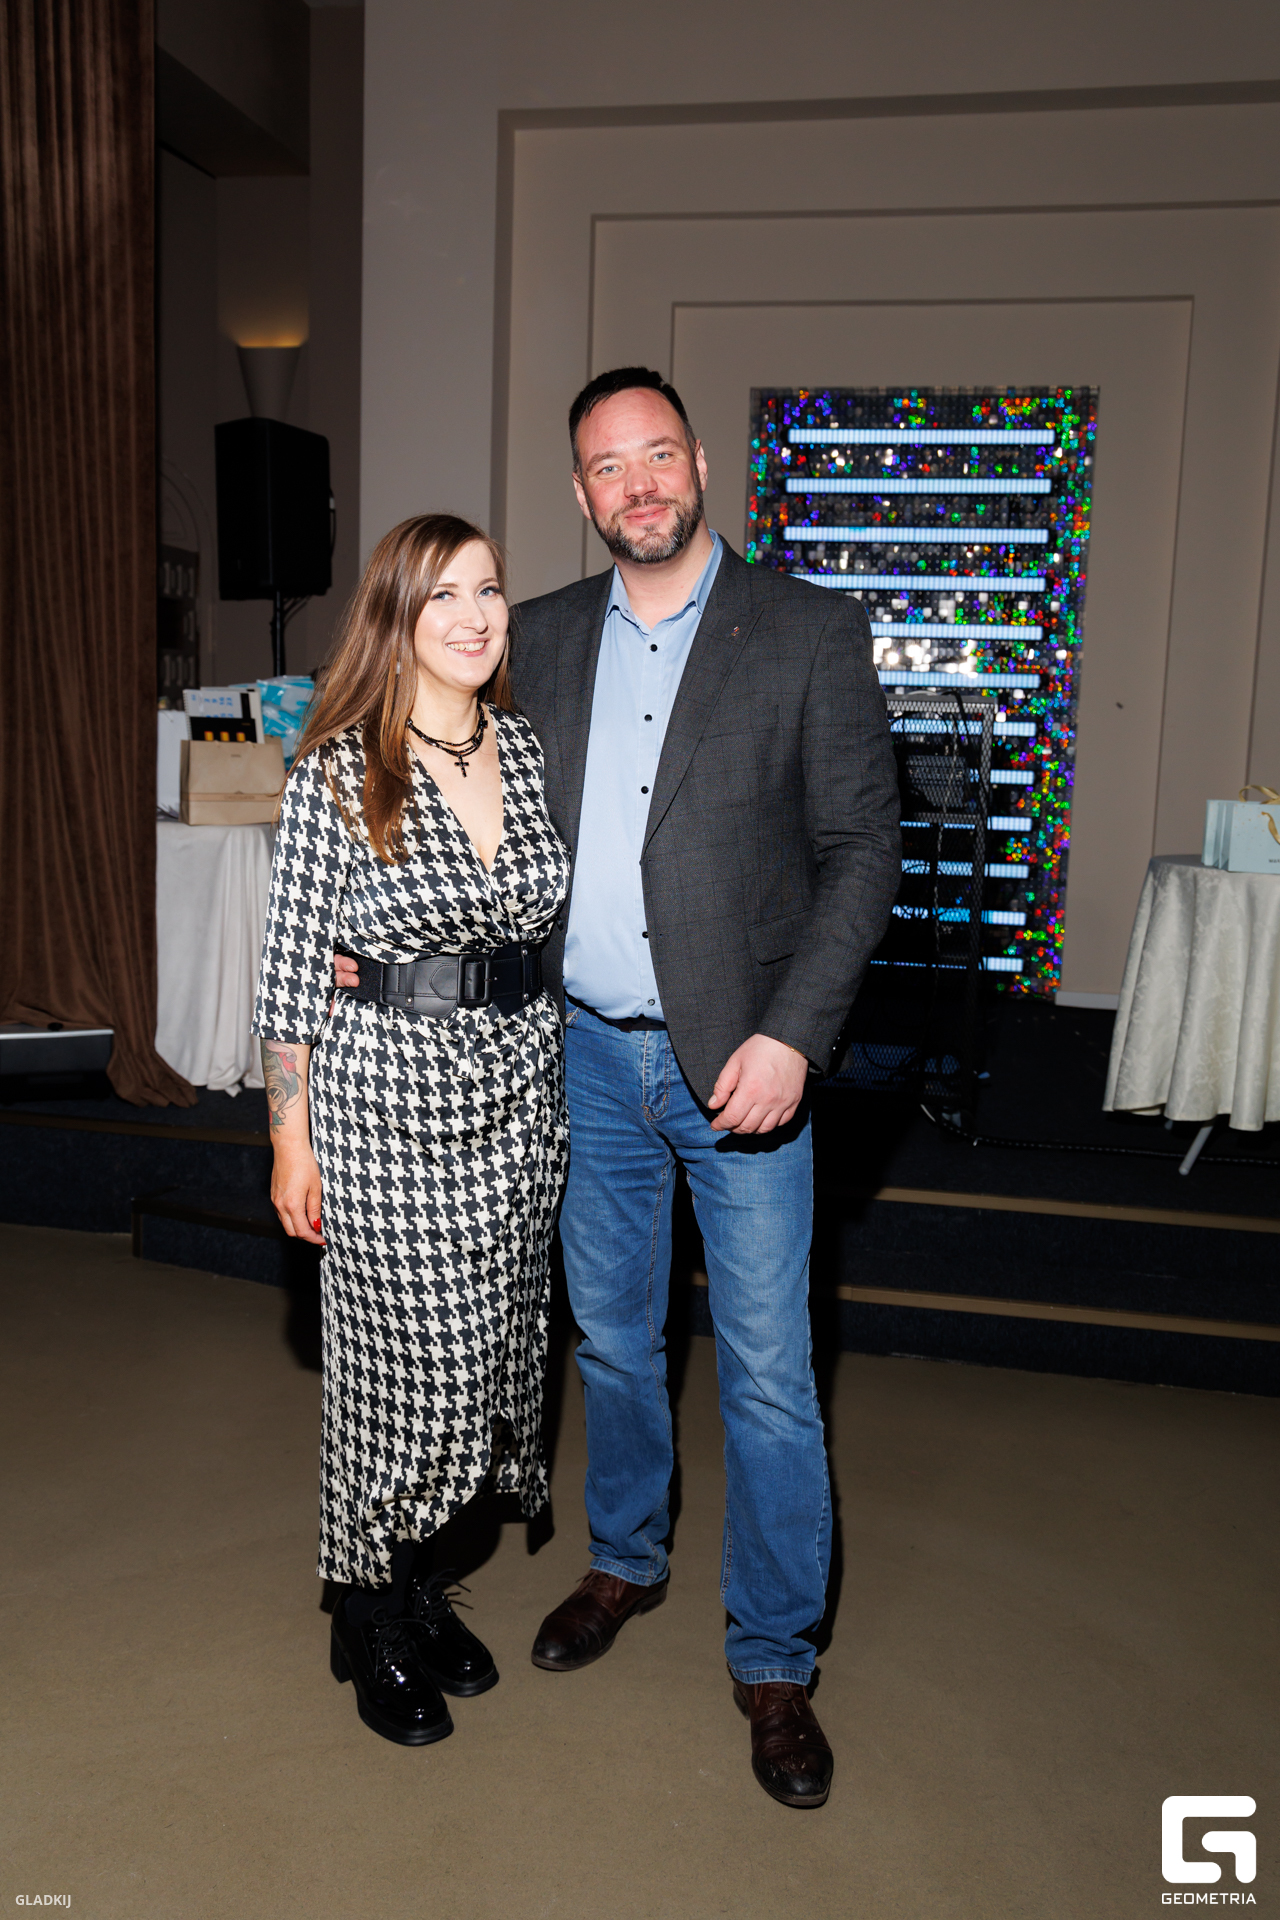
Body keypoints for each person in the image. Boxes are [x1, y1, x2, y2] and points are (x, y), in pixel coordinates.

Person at [340, 369, 901, 1806]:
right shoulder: (532, 636)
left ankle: (772, 1659)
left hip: (742, 1063)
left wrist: (794, 1035)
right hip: (577, 1058)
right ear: (580, 492)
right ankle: (624, 1561)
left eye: (657, 454)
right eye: (607, 465)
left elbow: (862, 853)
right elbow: (430, 768)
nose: (637, 482)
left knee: (768, 1376)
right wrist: (365, 919)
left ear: (699, 462)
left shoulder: (808, 631)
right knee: (610, 1342)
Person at [254, 513, 570, 1749]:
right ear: (394, 616)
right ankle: (367, 1611)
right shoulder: (339, 769)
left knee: (487, 1361)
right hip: (387, 1105)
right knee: (402, 1374)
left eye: (488, 590)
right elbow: (290, 978)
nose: (474, 616)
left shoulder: (525, 748)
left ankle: (419, 1582)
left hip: (518, 1095)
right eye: (442, 595)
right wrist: (291, 1142)